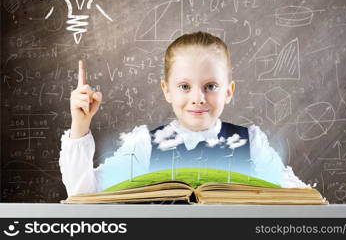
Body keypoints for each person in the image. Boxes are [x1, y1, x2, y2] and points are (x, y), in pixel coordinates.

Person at [59, 31, 308, 196]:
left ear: (229, 91)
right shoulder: (145, 145)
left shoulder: (252, 143)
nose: (198, 98)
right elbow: (83, 194)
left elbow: (298, 201)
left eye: (210, 86)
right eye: (184, 87)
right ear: (167, 90)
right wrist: (80, 126)